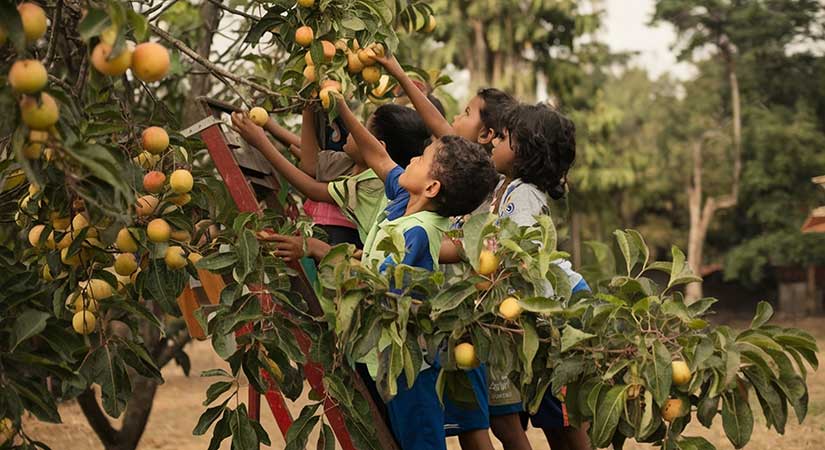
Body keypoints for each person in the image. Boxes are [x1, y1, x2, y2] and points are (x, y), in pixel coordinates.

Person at [334, 92, 499, 450]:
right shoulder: (402, 201)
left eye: (422, 159)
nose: (410, 158)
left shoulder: (419, 231)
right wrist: (342, 106)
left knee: (422, 443)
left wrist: (353, 266)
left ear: (432, 187)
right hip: (387, 358)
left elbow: (390, 290)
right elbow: (377, 155)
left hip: (411, 368)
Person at [489, 102, 591, 450]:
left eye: (503, 137)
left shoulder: (522, 195)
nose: (494, 142)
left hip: (554, 313)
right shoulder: (510, 189)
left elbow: (520, 258)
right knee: (553, 417)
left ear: (525, 152)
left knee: (564, 421)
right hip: (542, 312)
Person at [230, 102, 431, 261]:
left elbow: (312, 188)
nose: (352, 132)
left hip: (368, 261)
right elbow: (310, 161)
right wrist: (275, 125)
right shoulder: (366, 170)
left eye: (361, 130)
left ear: (376, 147)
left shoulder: (371, 184)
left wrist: (261, 141)